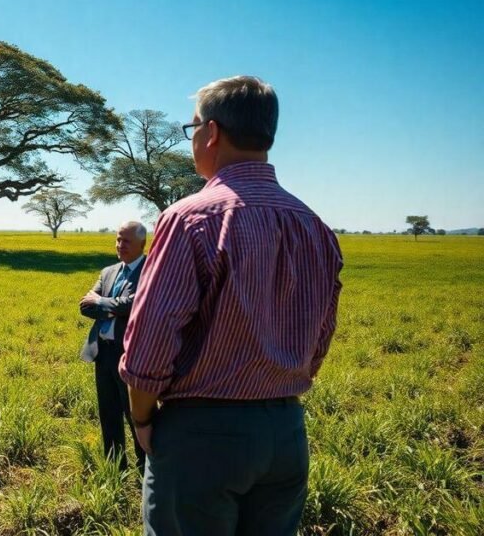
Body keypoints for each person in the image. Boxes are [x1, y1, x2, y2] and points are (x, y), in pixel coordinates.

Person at [119, 76, 344, 535]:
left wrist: (142, 420)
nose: (193, 138)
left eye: (193, 126)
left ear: (212, 132)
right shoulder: (314, 225)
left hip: (202, 434)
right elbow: (322, 334)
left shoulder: (191, 217)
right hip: (286, 431)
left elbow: (151, 340)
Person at [79, 221, 148, 474]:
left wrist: (103, 303)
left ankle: (145, 468)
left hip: (130, 355)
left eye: (126, 241)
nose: (120, 245)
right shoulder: (108, 271)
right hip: (103, 352)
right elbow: (85, 306)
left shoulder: (150, 271)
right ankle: (116, 468)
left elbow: (134, 305)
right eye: (118, 240)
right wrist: (112, 307)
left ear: (142, 244)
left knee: (135, 414)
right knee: (108, 413)